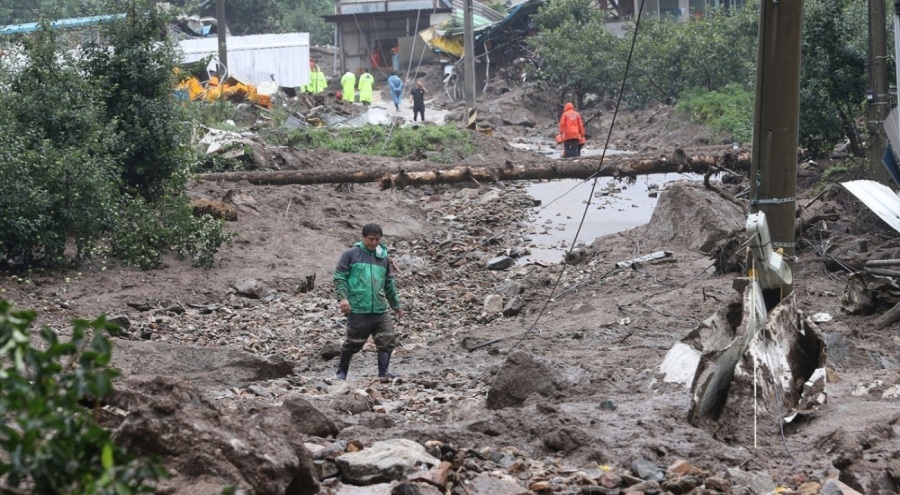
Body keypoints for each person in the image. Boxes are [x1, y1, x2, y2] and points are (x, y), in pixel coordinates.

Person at [333, 223, 404, 381]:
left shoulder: (382, 258)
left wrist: (396, 305)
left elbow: (388, 283)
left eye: (377, 240)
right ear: (363, 237)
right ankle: (341, 372)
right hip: (358, 307)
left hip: (379, 308)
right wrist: (343, 298)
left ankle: (383, 373)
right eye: (370, 239)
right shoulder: (350, 254)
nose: (373, 243)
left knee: (387, 339)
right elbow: (339, 278)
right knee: (353, 343)